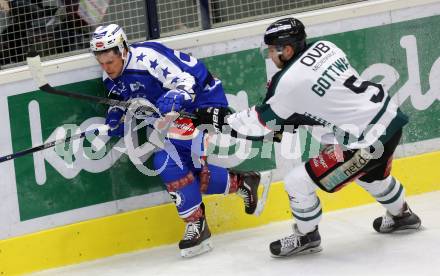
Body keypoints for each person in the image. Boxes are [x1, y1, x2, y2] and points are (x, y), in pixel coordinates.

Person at [195, 17, 421, 257]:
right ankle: (402, 215)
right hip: (390, 120)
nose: (270, 56)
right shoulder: (327, 47)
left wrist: (219, 120)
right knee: (370, 176)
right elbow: (327, 102)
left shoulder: (290, 82)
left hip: (365, 140)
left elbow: (259, 123)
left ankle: (307, 236)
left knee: (297, 182)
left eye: (272, 50)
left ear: (288, 49)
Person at [89, 24, 261, 258]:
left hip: (202, 104)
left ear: (123, 50)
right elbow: (120, 99)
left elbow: (188, 82)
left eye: (110, 62)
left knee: (167, 162)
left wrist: (174, 97)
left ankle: (197, 224)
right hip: (170, 119)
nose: (106, 68)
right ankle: (241, 182)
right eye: (101, 63)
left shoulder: (148, 58)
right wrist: (113, 121)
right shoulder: (110, 75)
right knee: (187, 174)